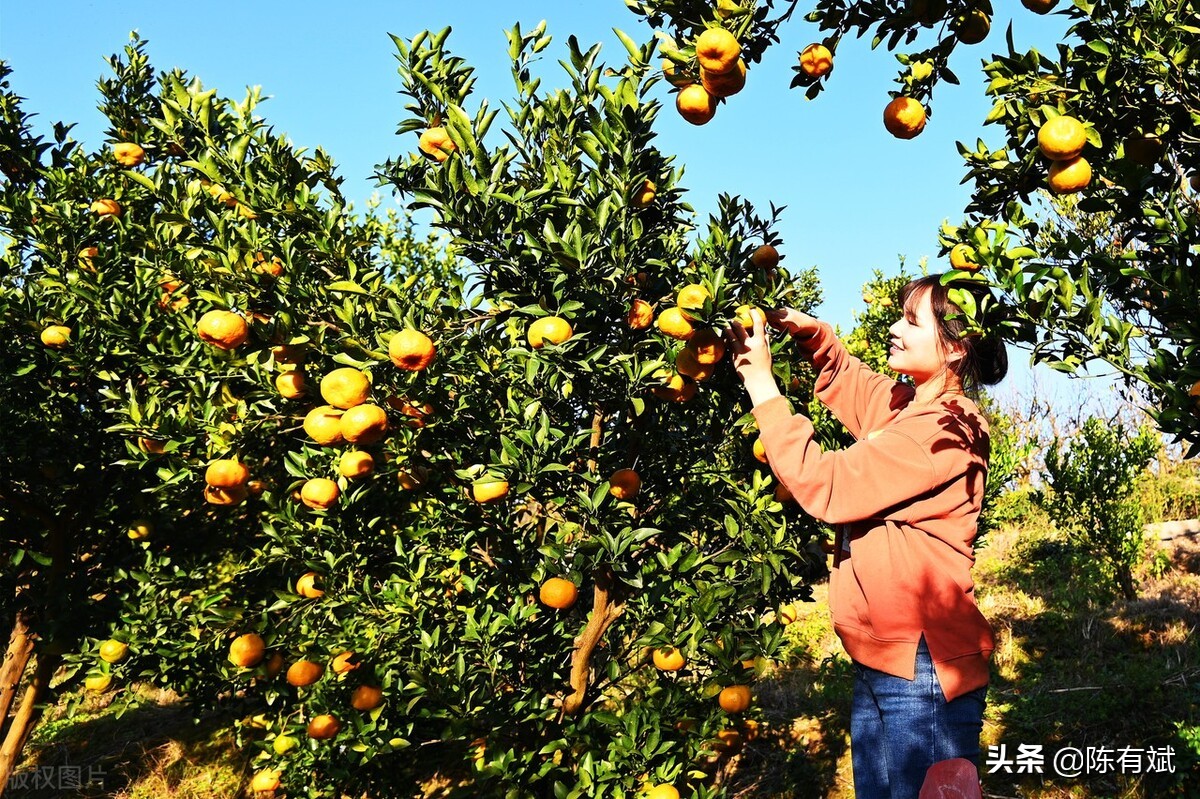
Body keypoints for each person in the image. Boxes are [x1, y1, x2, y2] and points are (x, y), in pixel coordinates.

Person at [727, 274, 1008, 799]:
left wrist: (761, 386)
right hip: (885, 659)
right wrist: (816, 338)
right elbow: (860, 387)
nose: (896, 329)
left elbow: (826, 484)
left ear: (956, 349)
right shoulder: (913, 406)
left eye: (912, 321)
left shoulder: (944, 429)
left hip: (925, 670)